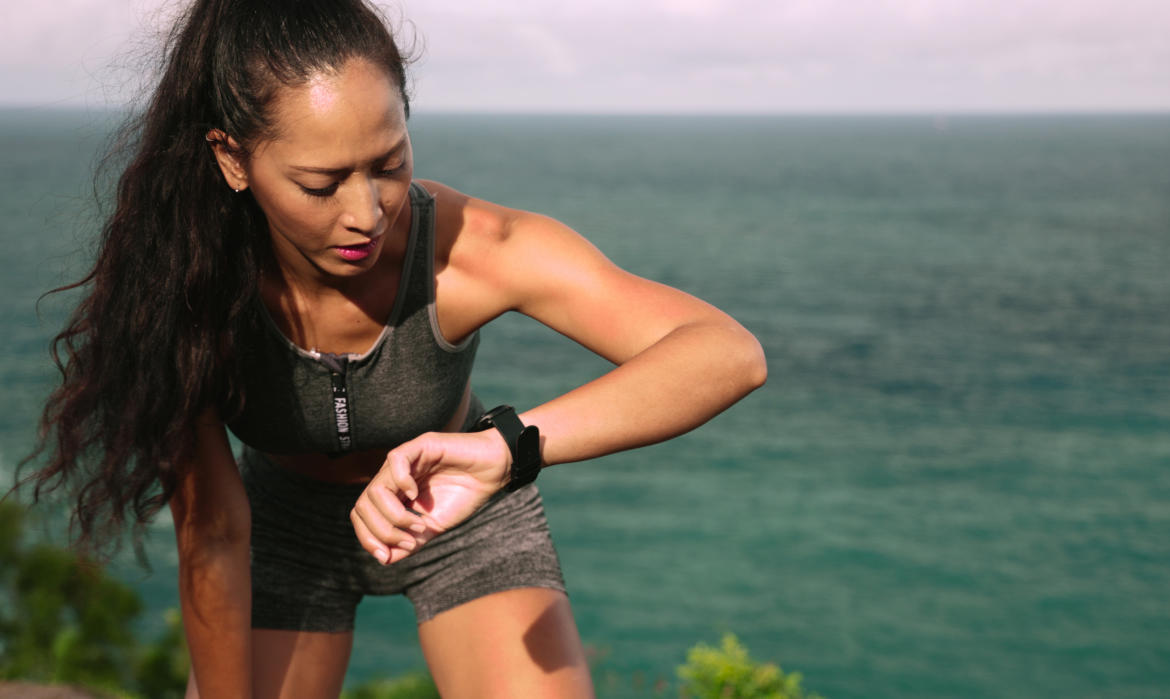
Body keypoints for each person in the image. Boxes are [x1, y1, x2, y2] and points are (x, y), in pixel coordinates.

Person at [20, 0, 766, 696]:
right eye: (321, 183)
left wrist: (507, 449)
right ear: (233, 159)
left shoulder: (475, 250)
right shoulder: (189, 287)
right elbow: (213, 528)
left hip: (463, 508)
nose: (366, 213)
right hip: (281, 526)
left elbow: (726, 352)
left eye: (388, 163)